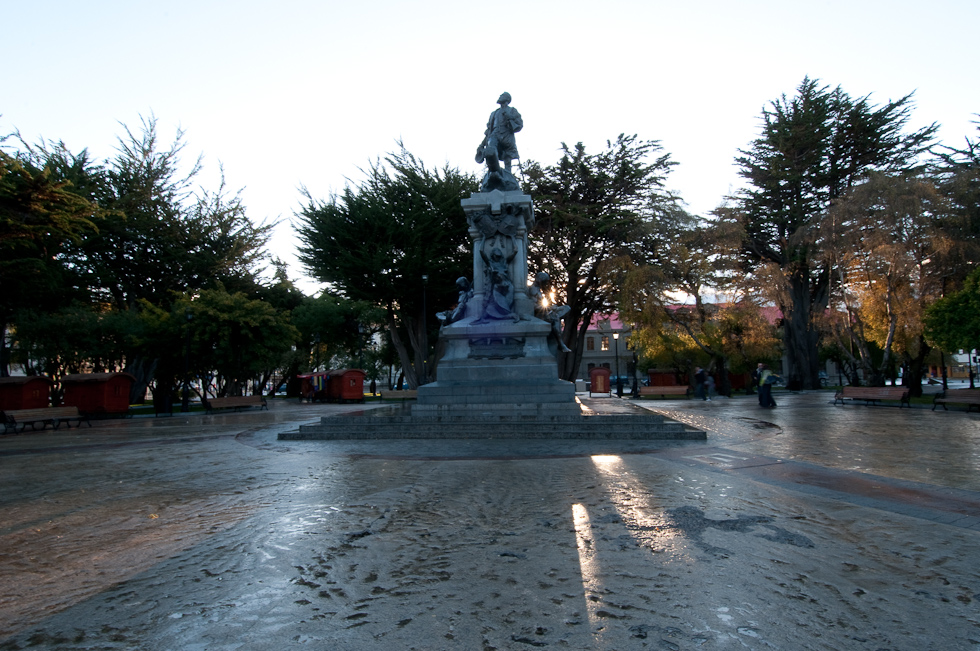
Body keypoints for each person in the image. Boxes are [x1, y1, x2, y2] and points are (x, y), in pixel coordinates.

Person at [476, 92, 523, 174]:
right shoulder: (494, 113)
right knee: (491, 150)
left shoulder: (512, 110)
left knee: (507, 156)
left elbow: (519, 124)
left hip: (507, 134)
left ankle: (508, 175)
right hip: (495, 133)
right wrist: (482, 144)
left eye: (502, 96)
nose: (500, 97)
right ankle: (494, 171)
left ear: (507, 99)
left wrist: (510, 117)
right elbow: (488, 130)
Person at [527, 272, 571, 353]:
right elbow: (534, 306)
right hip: (538, 314)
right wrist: (549, 308)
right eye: (545, 282)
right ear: (540, 280)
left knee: (566, 308)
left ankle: (561, 343)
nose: (545, 284)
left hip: (544, 311)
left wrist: (551, 307)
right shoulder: (533, 290)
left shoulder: (537, 289)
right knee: (555, 318)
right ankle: (561, 344)